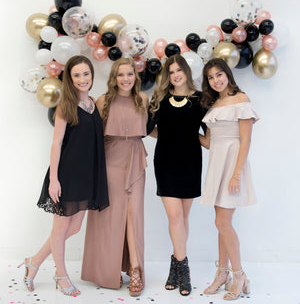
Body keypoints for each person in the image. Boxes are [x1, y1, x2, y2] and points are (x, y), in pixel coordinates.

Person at [18, 55, 109, 297]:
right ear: (70, 78)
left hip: (86, 175)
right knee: (60, 228)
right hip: (66, 174)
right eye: (76, 75)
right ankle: (61, 275)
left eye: (85, 74)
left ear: (91, 74)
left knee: (74, 227)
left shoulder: (94, 103)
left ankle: (34, 261)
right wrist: (54, 179)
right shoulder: (65, 105)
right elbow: (56, 143)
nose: (82, 79)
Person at [81, 58, 148, 297]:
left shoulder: (143, 100)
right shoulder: (102, 101)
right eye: (121, 75)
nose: (126, 79)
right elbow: (92, 137)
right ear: (114, 78)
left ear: (135, 76)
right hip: (110, 162)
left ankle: (136, 268)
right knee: (109, 217)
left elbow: (150, 129)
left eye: (130, 74)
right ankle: (107, 271)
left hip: (136, 162)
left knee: (133, 215)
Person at [199, 58, 259, 300]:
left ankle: (239, 274)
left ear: (227, 73)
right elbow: (210, 143)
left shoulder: (241, 100)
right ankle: (222, 273)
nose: (216, 80)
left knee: (223, 223)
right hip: (217, 164)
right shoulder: (214, 104)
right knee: (219, 222)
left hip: (234, 164)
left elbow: (246, 140)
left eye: (219, 74)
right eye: (211, 77)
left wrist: (236, 174)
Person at [147, 54, 207, 296]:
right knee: (174, 218)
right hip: (166, 163)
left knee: (183, 218)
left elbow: (209, 136)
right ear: (167, 75)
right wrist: (170, 137)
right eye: (170, 72)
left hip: (191, 163)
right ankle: (185, 270)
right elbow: (148, 128)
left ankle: (175, 265)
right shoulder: (160, 98)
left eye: (178, 70)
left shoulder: (200, 100)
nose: (175, 75)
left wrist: (192, 138)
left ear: (186, 71)